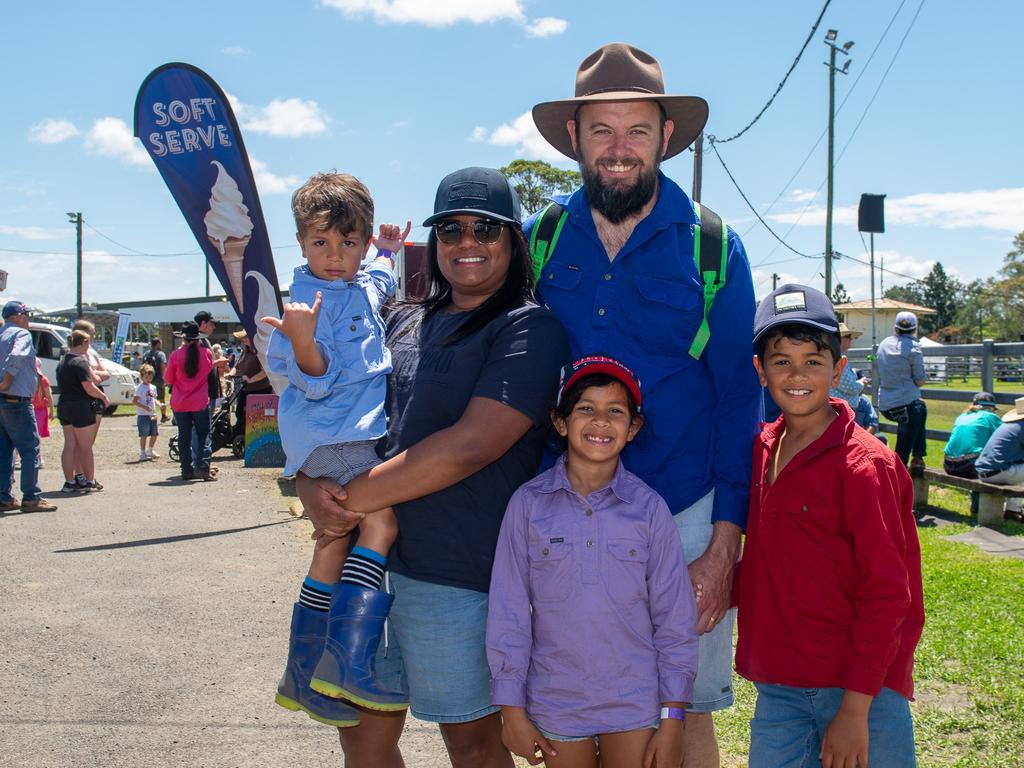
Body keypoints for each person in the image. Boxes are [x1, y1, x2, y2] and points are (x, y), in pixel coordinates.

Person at [527, 42, 760, 763]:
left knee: (684, 710)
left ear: (665, 135)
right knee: (574, 698)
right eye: (601, 129)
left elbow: (740, 401)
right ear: (574, 138)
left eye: (636, 130)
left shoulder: (714, 247)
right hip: (568, 508)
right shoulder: (541, 239)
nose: (618, 148)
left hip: (685, 510)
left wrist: (724, 546)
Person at [297, 166, 569, 768]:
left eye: (486, 230)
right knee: (361, 737)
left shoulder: (529, 327)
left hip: (457, 575)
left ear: (513, 241)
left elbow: (472, 444)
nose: (467, 242)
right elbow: (332, 413)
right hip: (363, 562)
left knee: (472, 744)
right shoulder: (400, 320)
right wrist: (309, 483)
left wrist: (350, 499)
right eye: (450, 229)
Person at [737, 284, 924, 768]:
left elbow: (888, 592)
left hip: (861, 687)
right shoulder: (761, 449)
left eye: (813, 361)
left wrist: (856, 707)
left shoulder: (865, 466)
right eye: (781, 361)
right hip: (780, 684)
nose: (797, 375)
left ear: (838, 370)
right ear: (760, 371)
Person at [487, 355, 698, 768]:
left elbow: (675, 619)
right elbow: (508, 612)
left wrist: (673, 717)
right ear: (561, 422)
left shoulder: (650, 510)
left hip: (635, 701)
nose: (600, 421)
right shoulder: (528, 505)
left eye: (615, 412)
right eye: (585, 408)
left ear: (633, 428)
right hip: (556, 699)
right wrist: (511, 709)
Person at [264, 170, 412, 725]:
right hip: (335, 435)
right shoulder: (307, 305)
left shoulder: (355, 283)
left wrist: (389, 254)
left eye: (348, 243)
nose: (334, 255)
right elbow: (317, 378)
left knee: (333, 539)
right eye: (321, 242)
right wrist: (303, 345)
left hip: (341, 435)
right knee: (382, 523)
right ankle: (347, 661)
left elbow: (375, 284)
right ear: (301, 242)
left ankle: (301, 673)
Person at [0, 301, 57, 512]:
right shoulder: (21, 335)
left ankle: (4, 496)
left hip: (2, 399)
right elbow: (17, 355)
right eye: (27, 314)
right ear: (19, 315)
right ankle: (31, 496)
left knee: (4, 450)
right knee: (29, 449)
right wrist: (6, 381)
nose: (29, 318)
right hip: (16, 398)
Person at [56, 329, 109, 494]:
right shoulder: (79, 362)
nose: (89, 346)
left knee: (69, 444)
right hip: (79, 406)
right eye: (88, 342)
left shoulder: (63, 361)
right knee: (85, 446)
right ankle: (89, 480)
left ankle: (70, 481)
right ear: (83, 343)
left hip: (64, 404)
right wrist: (103, 397)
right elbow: (89, 387)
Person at [877, 311, 928, 468]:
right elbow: (920, 381)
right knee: (918, 410)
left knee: (918, 410)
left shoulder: (884, 344)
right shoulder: (914, 348)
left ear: (895, 328)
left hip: (885, 405)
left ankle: (917, 458)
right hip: (905, 405)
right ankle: (904, 465)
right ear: (915, 328)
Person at [165, 322, 215, 481]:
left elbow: (168, 379)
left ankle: (186, 470)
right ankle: (202, 467)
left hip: (180, 402)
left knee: (184, 436)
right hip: (199, 401)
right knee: (203, 434)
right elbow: (208, 371)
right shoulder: (206, 353)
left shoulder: (175, 355)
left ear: (183, 338)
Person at [943, 392, 1002, 479]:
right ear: (992, 408)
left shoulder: (962, 416)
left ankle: (976, 492)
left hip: (948, 465)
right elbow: (1005, 438)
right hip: (970, 467)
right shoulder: (991, 417)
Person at [229, 329, 273, 442]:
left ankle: (254, 439)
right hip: (246, 389)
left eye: (246, 337)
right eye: (243, 338)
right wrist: (231, 373)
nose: (244, 340)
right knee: (239, 412)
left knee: (256, 416)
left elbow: (265, 371)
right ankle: (240, 436)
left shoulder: (260, 352)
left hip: (261, 390)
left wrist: (251, 379)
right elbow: (236, 366)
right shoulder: (245, 352)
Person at [192, 310, 220, 474]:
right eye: (211, 324)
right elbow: (202, 367)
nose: (214, 327)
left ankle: (202, 462)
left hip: (207, 391)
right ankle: (201, 464)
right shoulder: (199, 342)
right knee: (202, 430)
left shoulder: (203, 341)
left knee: (202, 429)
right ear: (203, 323)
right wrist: (215, 364)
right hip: (204, 392)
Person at [830, 323, 869, 408]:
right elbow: (851, 388)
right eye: (847, 337)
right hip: (840, 409)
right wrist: (862, 382)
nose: (851, 339)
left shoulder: (831, 356)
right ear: (838, 339)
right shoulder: (838, 358)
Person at [133, 363, 160, 461]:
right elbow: (135, 401)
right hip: (143, 415)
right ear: (142, 376)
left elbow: (153, 399)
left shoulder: (153, 387)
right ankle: (142, 452)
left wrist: (159, 404)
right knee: (144, 435)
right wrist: (145, 407)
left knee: (154, 434)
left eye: (150, 377)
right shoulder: (140, 388)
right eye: (146, 377)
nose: (148, 379)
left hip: (152, 414)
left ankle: (150, 450)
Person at [31, 359, 54, 468]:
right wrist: (52, 411)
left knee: (26, 435)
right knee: (36, 436)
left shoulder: (27, 380)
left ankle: (19, 457)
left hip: (30, 410)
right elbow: (49, 397)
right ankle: (38, 458)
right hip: (40, 411)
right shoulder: (43, 380)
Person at [143, 339, 169, 423]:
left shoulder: (146, 354)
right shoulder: (160, 354)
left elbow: (143, 366)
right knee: (161, 399)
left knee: (149, 397)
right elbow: (162, 367)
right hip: (158, 379)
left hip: (148, 379)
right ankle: (164, 416)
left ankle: (148, 415)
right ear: (157, 344)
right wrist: (165, 379)